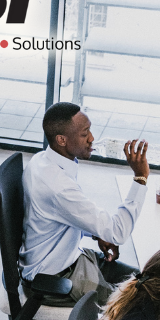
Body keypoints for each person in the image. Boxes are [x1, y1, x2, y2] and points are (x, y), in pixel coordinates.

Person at [20, 101, 149, 306]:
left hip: (65, 257)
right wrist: (140, 177)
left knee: (148, 284)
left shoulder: (41, 161)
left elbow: (61, 213)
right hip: (58, 275)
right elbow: (117, 232)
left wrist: (97, 233)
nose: (92, 138)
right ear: (62, 140)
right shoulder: (58, 187)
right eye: (84, 133)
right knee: (139, 304)